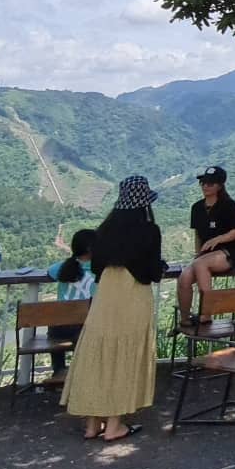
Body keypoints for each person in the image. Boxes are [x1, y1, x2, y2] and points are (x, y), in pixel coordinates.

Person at [62, 175, 164, 444]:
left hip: (105, 296)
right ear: (144, 202)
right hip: (133, 296)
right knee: (124, 355)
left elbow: (96, 268)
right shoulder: (149, 230)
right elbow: (153, 272)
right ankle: (115, 425)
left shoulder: (104, 230)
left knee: (98, 352)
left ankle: (92, 424)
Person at [174, 166, 235, 326]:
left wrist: (218, 239)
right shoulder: (197, 208)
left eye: (210, 183)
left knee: (200, 264)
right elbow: (198, 234)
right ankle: (185, 319)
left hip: (229, 251)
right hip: (206, 254)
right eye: (203, 183)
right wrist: (198, 253)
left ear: (219, 186)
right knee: (184, 278)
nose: (205, 186)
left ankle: (206, 314)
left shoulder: (229, 205)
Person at [43, 228, 98, 383]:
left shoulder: (64, 267)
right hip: (85, 326)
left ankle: (58, 371)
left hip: (59, 328)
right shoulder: (98, 270)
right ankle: (85, 376)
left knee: (56, 332)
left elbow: (50, 271)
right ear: (91, 249)